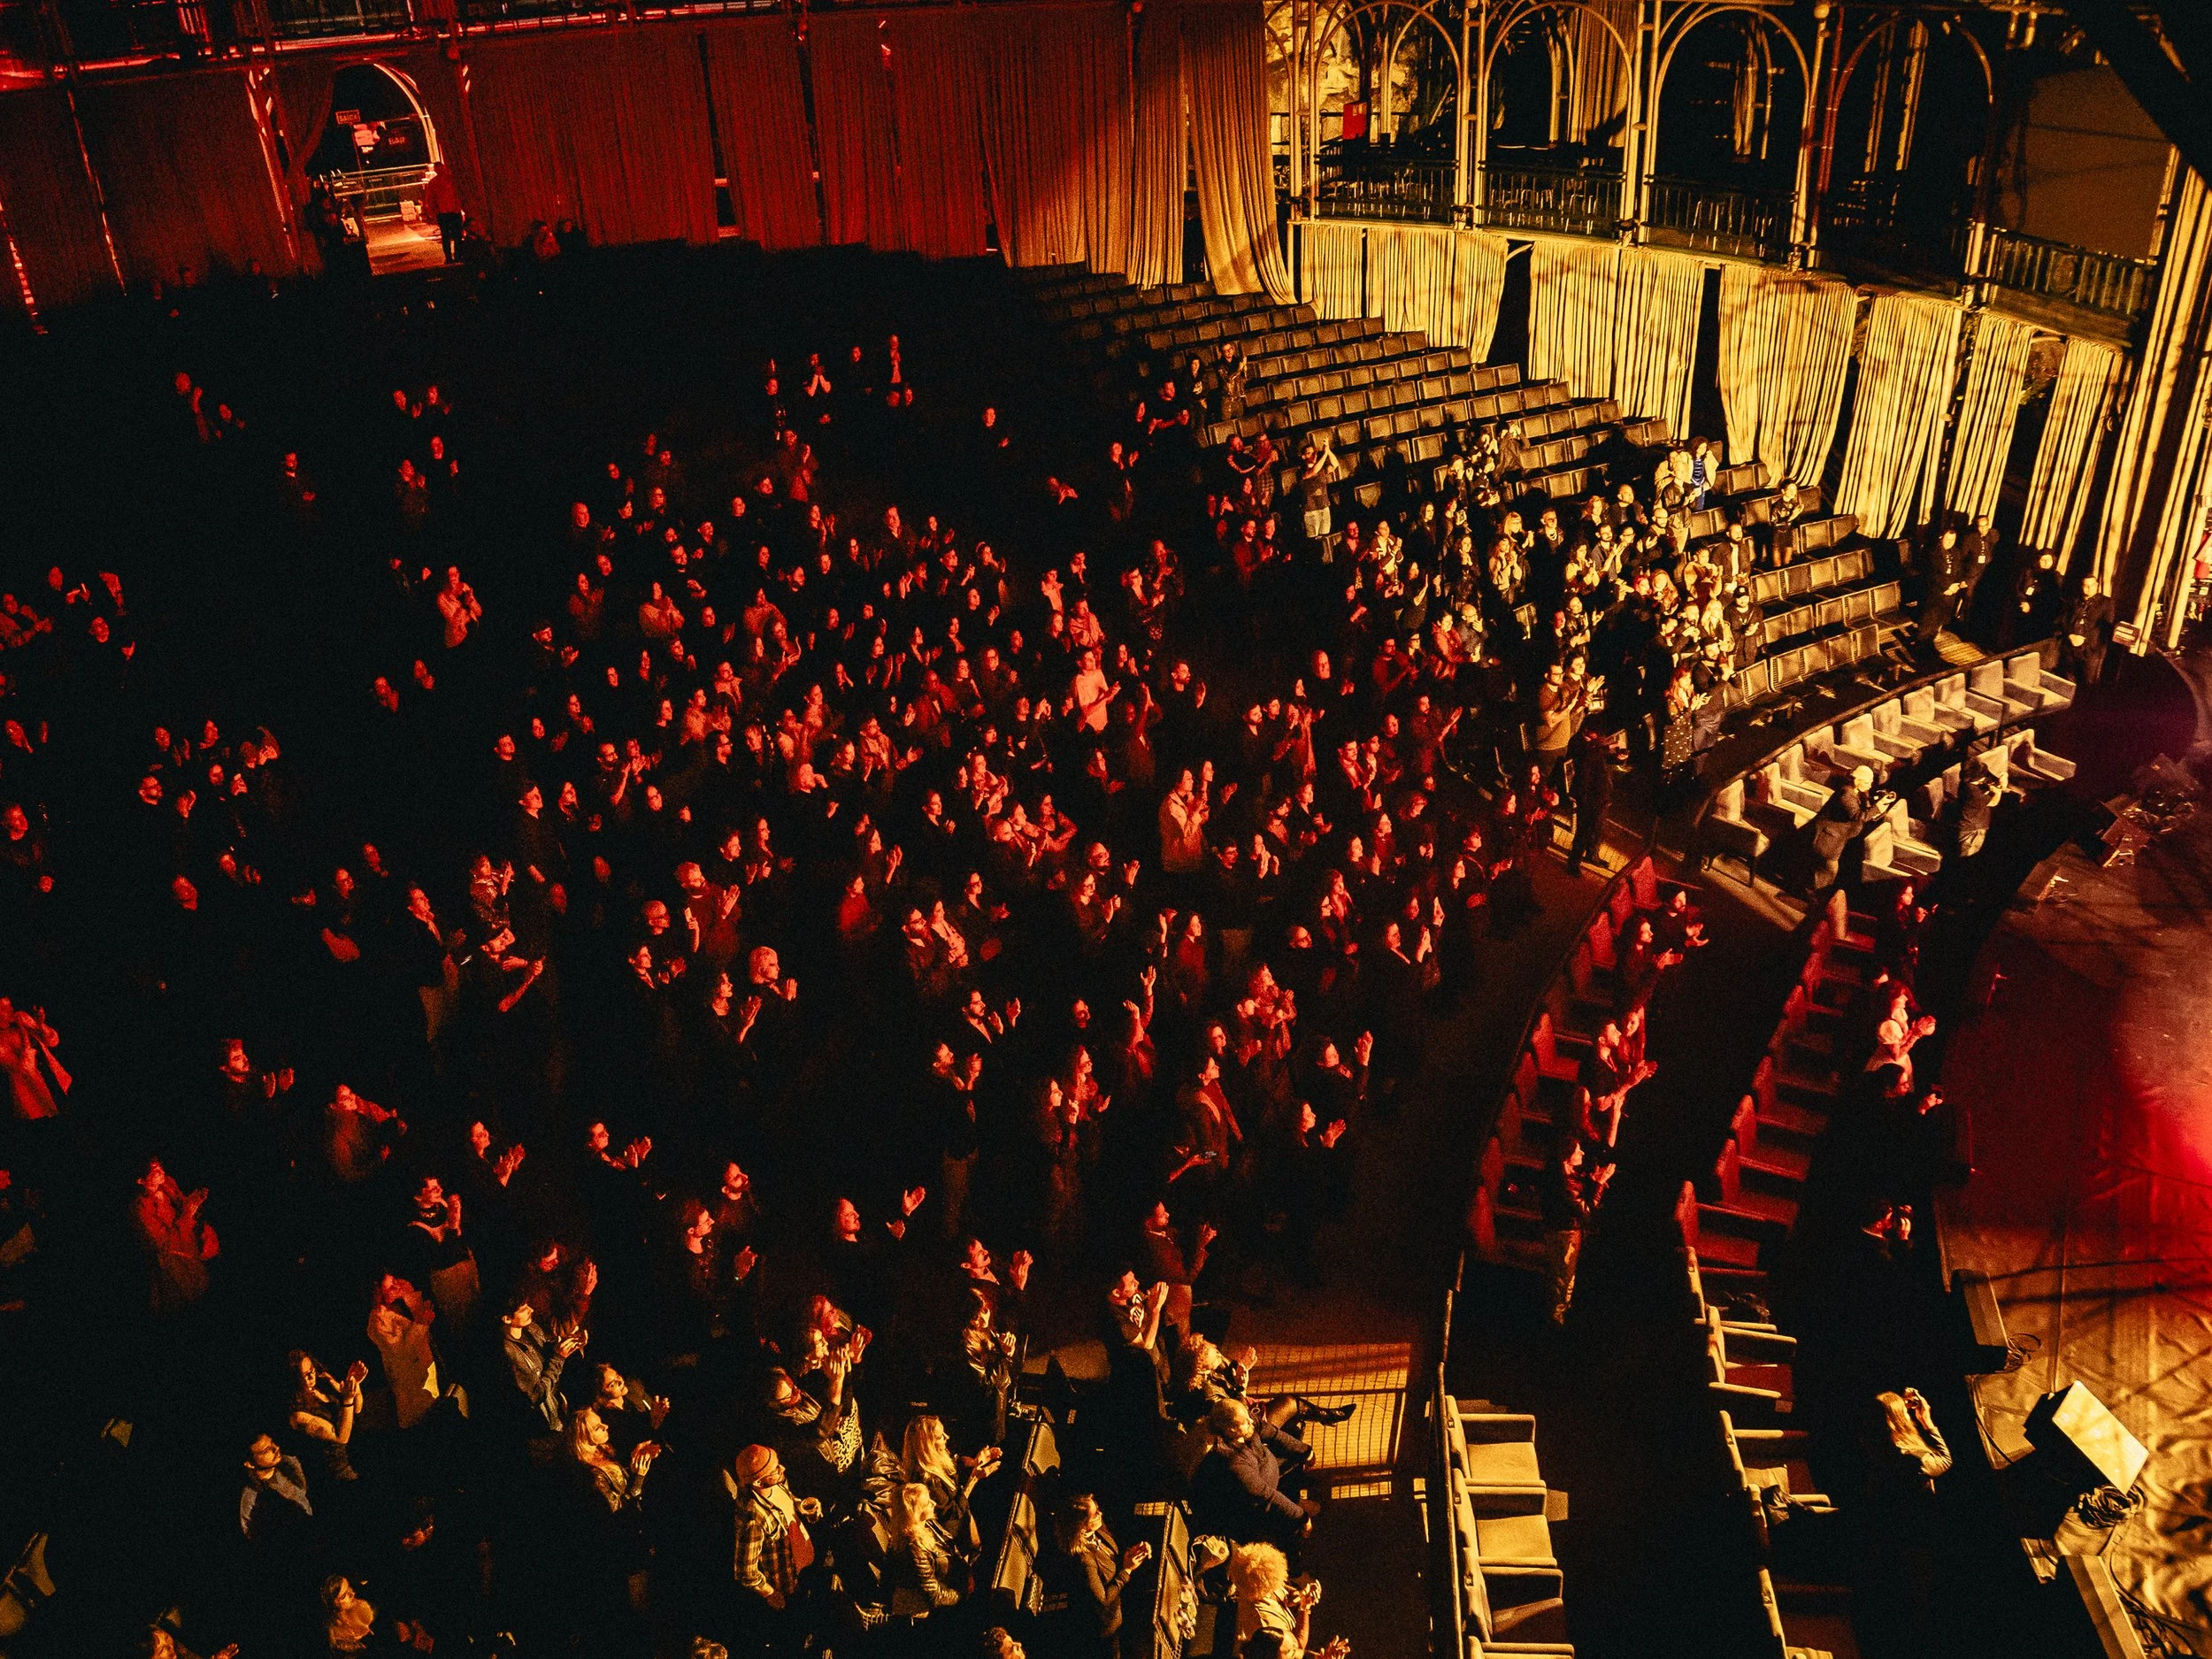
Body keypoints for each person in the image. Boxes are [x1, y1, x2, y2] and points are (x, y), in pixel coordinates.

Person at [1049, 1492, 1148, 1654]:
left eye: (1097, 1509)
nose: (1100, 1514)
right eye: (1095, 1514)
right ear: (1081, 1526)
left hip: (1123, 1608)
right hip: (1108, 1628)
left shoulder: (1098, 1530)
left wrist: (1131, 1553)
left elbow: (1111, 1558)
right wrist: (1127, 1570)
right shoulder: (1084, 1560)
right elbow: (1103, 1602)